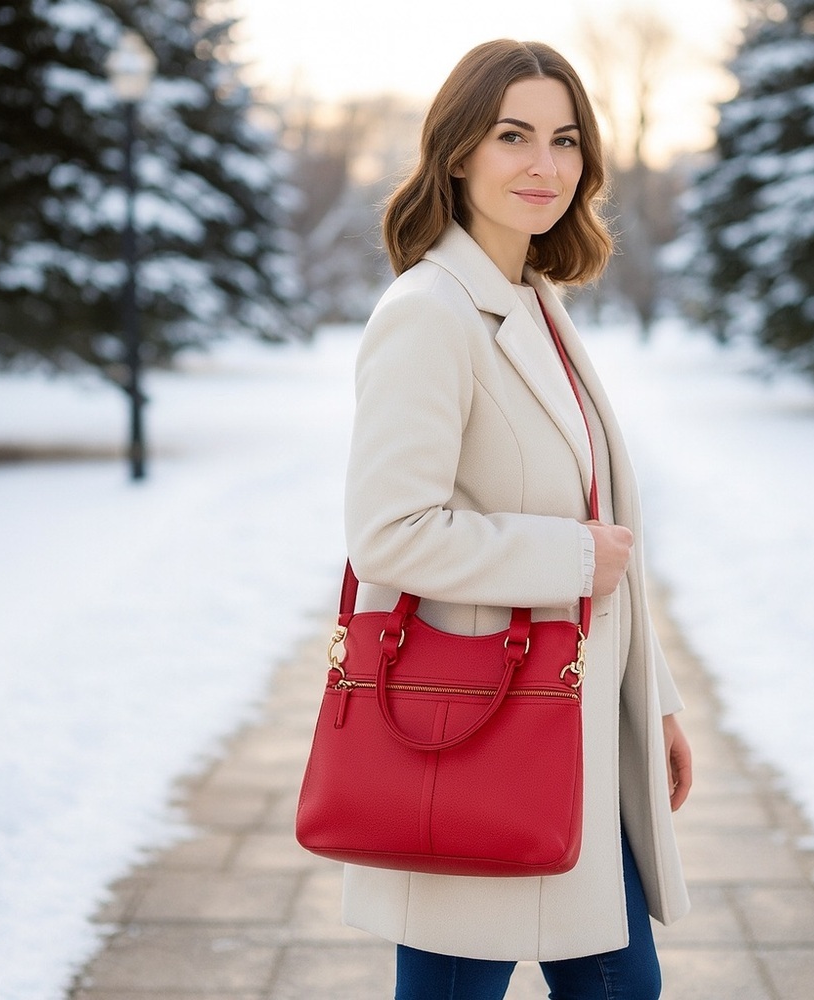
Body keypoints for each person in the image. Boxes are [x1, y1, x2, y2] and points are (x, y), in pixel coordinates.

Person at [342, 38, 692, 1000]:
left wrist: (651, 700)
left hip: (573, 726)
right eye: (514, 136)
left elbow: (599, 518)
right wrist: (574, 559)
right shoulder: (430, 312)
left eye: (566, 139)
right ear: (458, 152)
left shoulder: (534, 300)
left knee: (624, 984)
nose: (547, 165)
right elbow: (390, 531)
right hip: (478, 734)